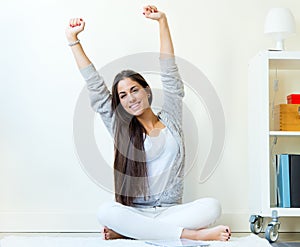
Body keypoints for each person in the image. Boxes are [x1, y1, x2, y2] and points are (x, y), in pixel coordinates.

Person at [65, 5, 231, 242]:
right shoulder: (120, 127)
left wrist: (162, 22)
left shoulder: (171, 118)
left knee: (212, 207)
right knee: (105, 212)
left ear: (147, 91)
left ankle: (130, 232)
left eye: (134, 90)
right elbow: (96, 88)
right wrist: (73, 41)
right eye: (122, 95)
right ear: (119, 103)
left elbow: (170, 72)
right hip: (135, 210)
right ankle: (190, 235)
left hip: (171, 210)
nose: (130, 98)